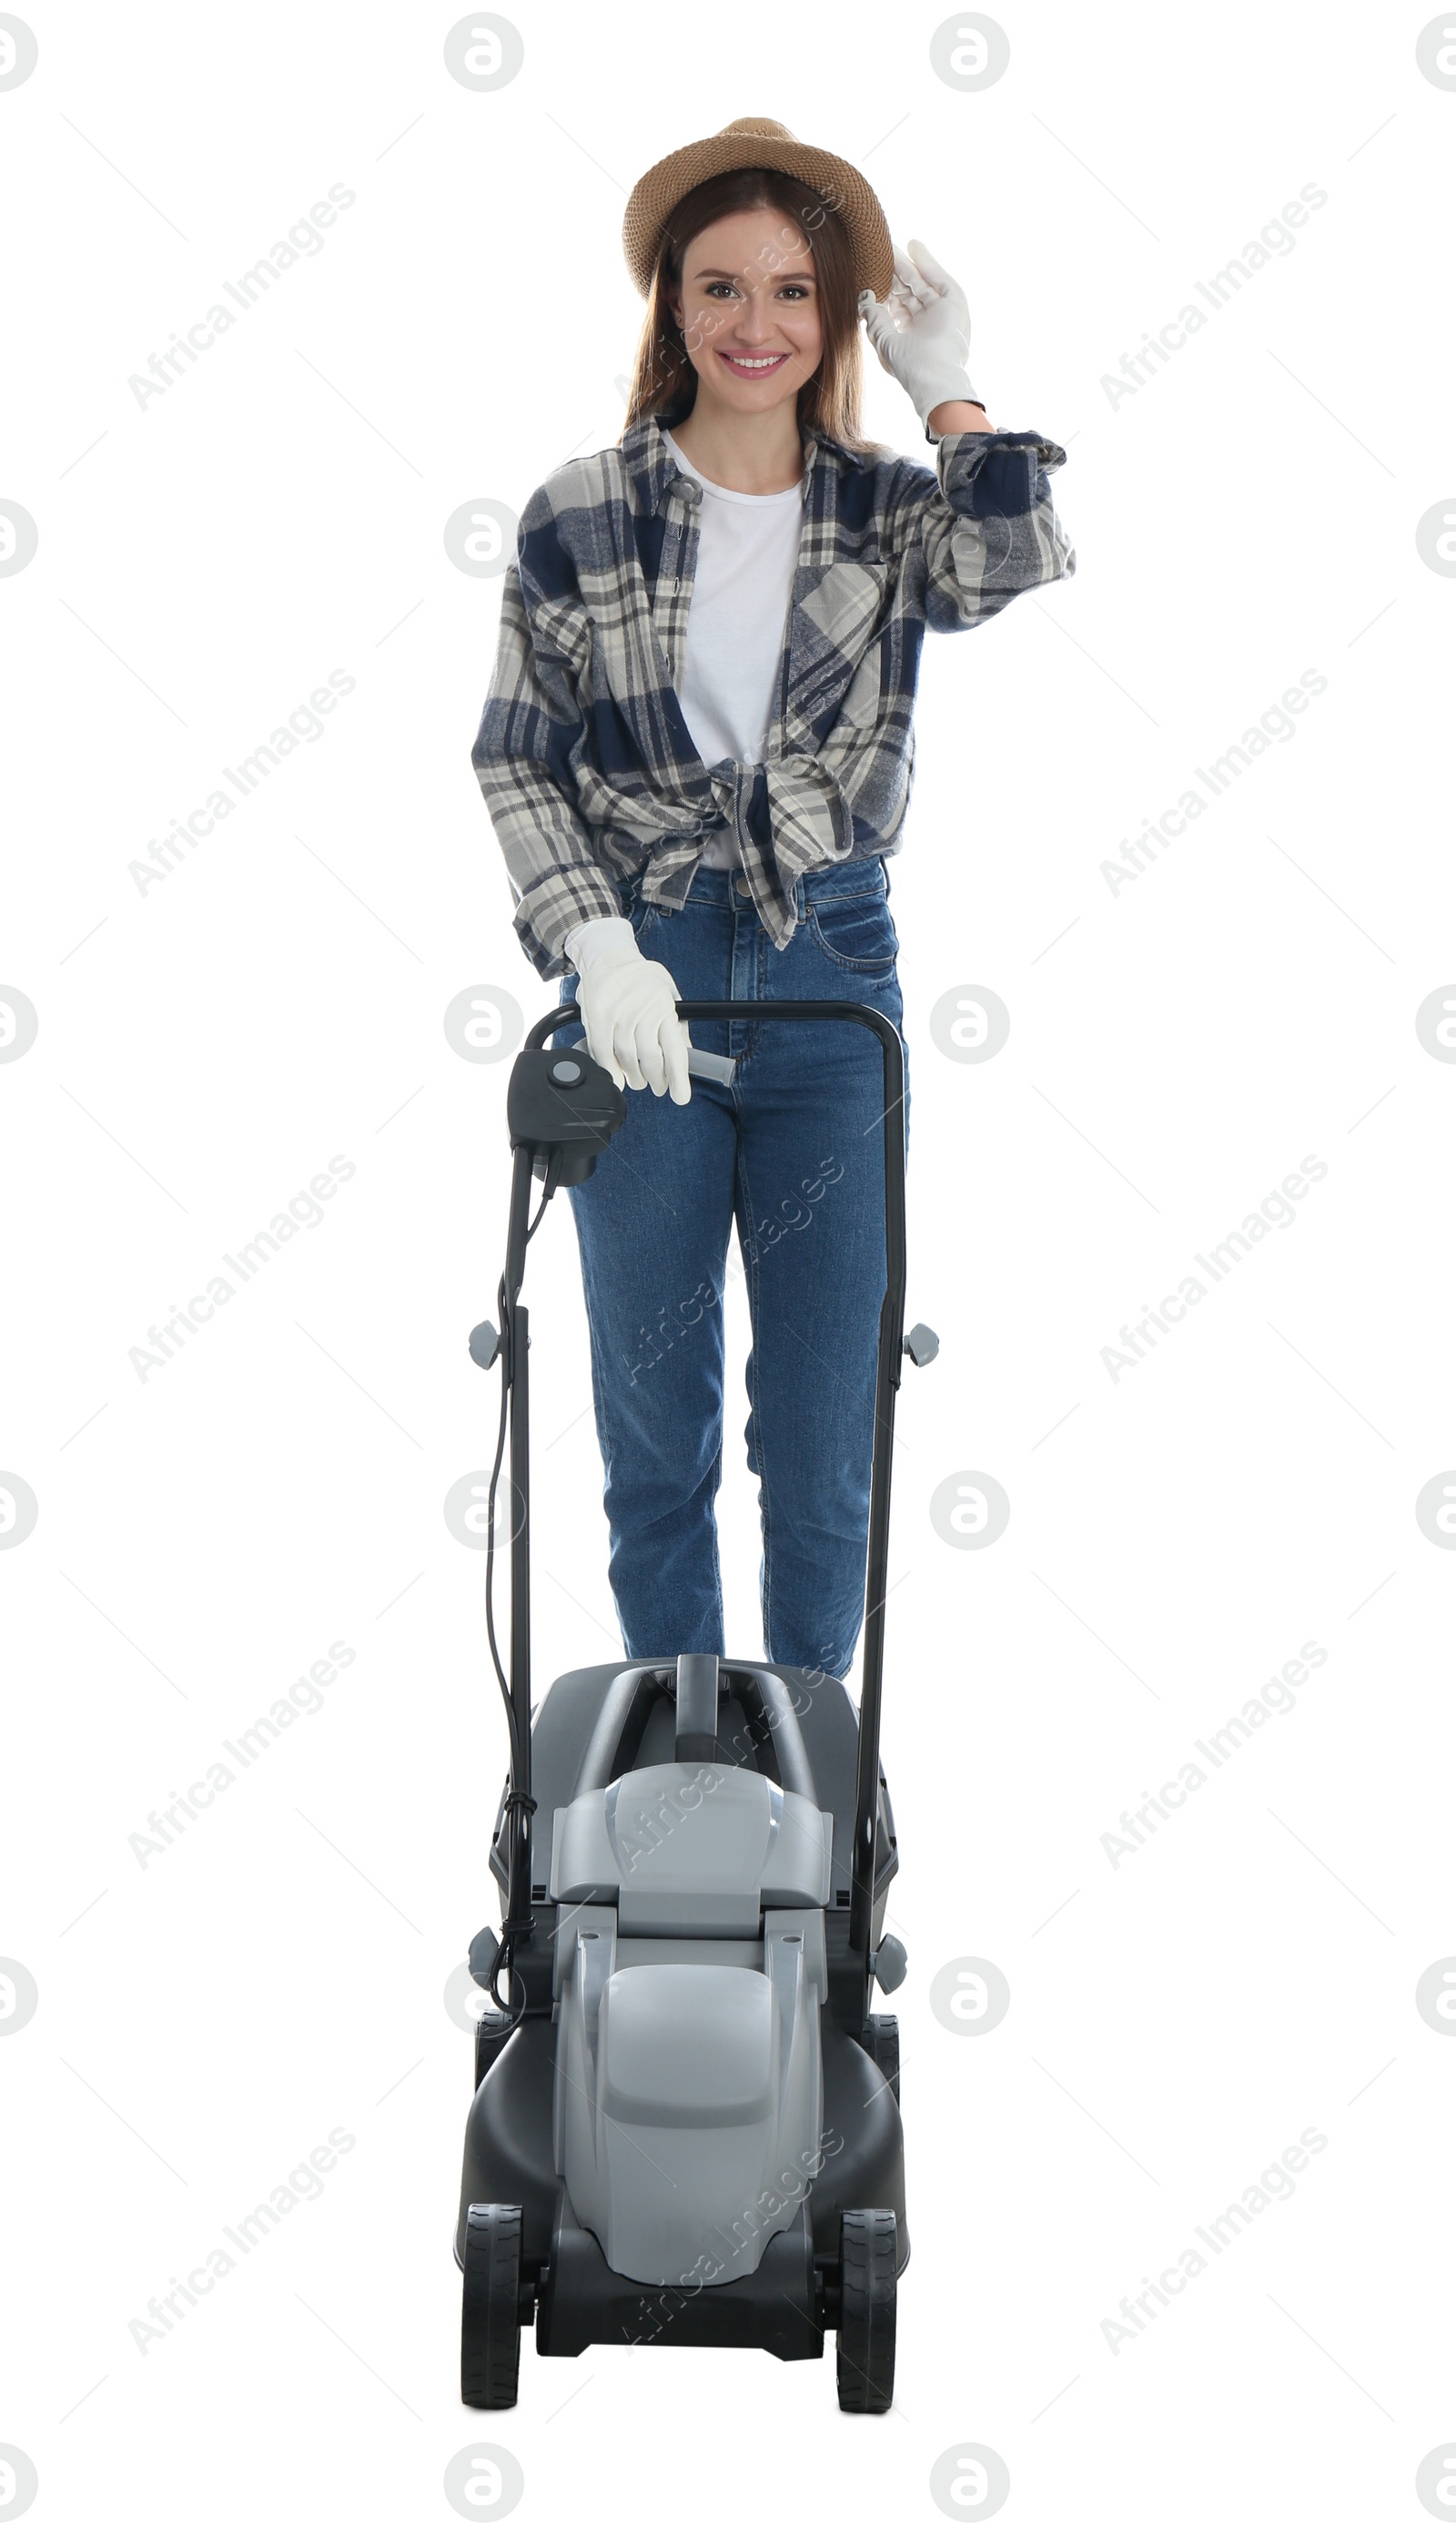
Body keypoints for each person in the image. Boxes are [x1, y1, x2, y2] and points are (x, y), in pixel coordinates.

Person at [472, 116, 1075, 1680]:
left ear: (836, 318)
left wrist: (955, 393)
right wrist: (597, 945)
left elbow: (1006, 568)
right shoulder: (580, 512)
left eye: (795, 292)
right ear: (671, 305)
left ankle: (805, 1780)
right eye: (722, 288)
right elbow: (515, 758)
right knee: (650, 1427)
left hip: (828, 985)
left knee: (821, 1438)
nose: (758, 326)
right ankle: (679, 1764)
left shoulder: (886, 510)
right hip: (642, 986)